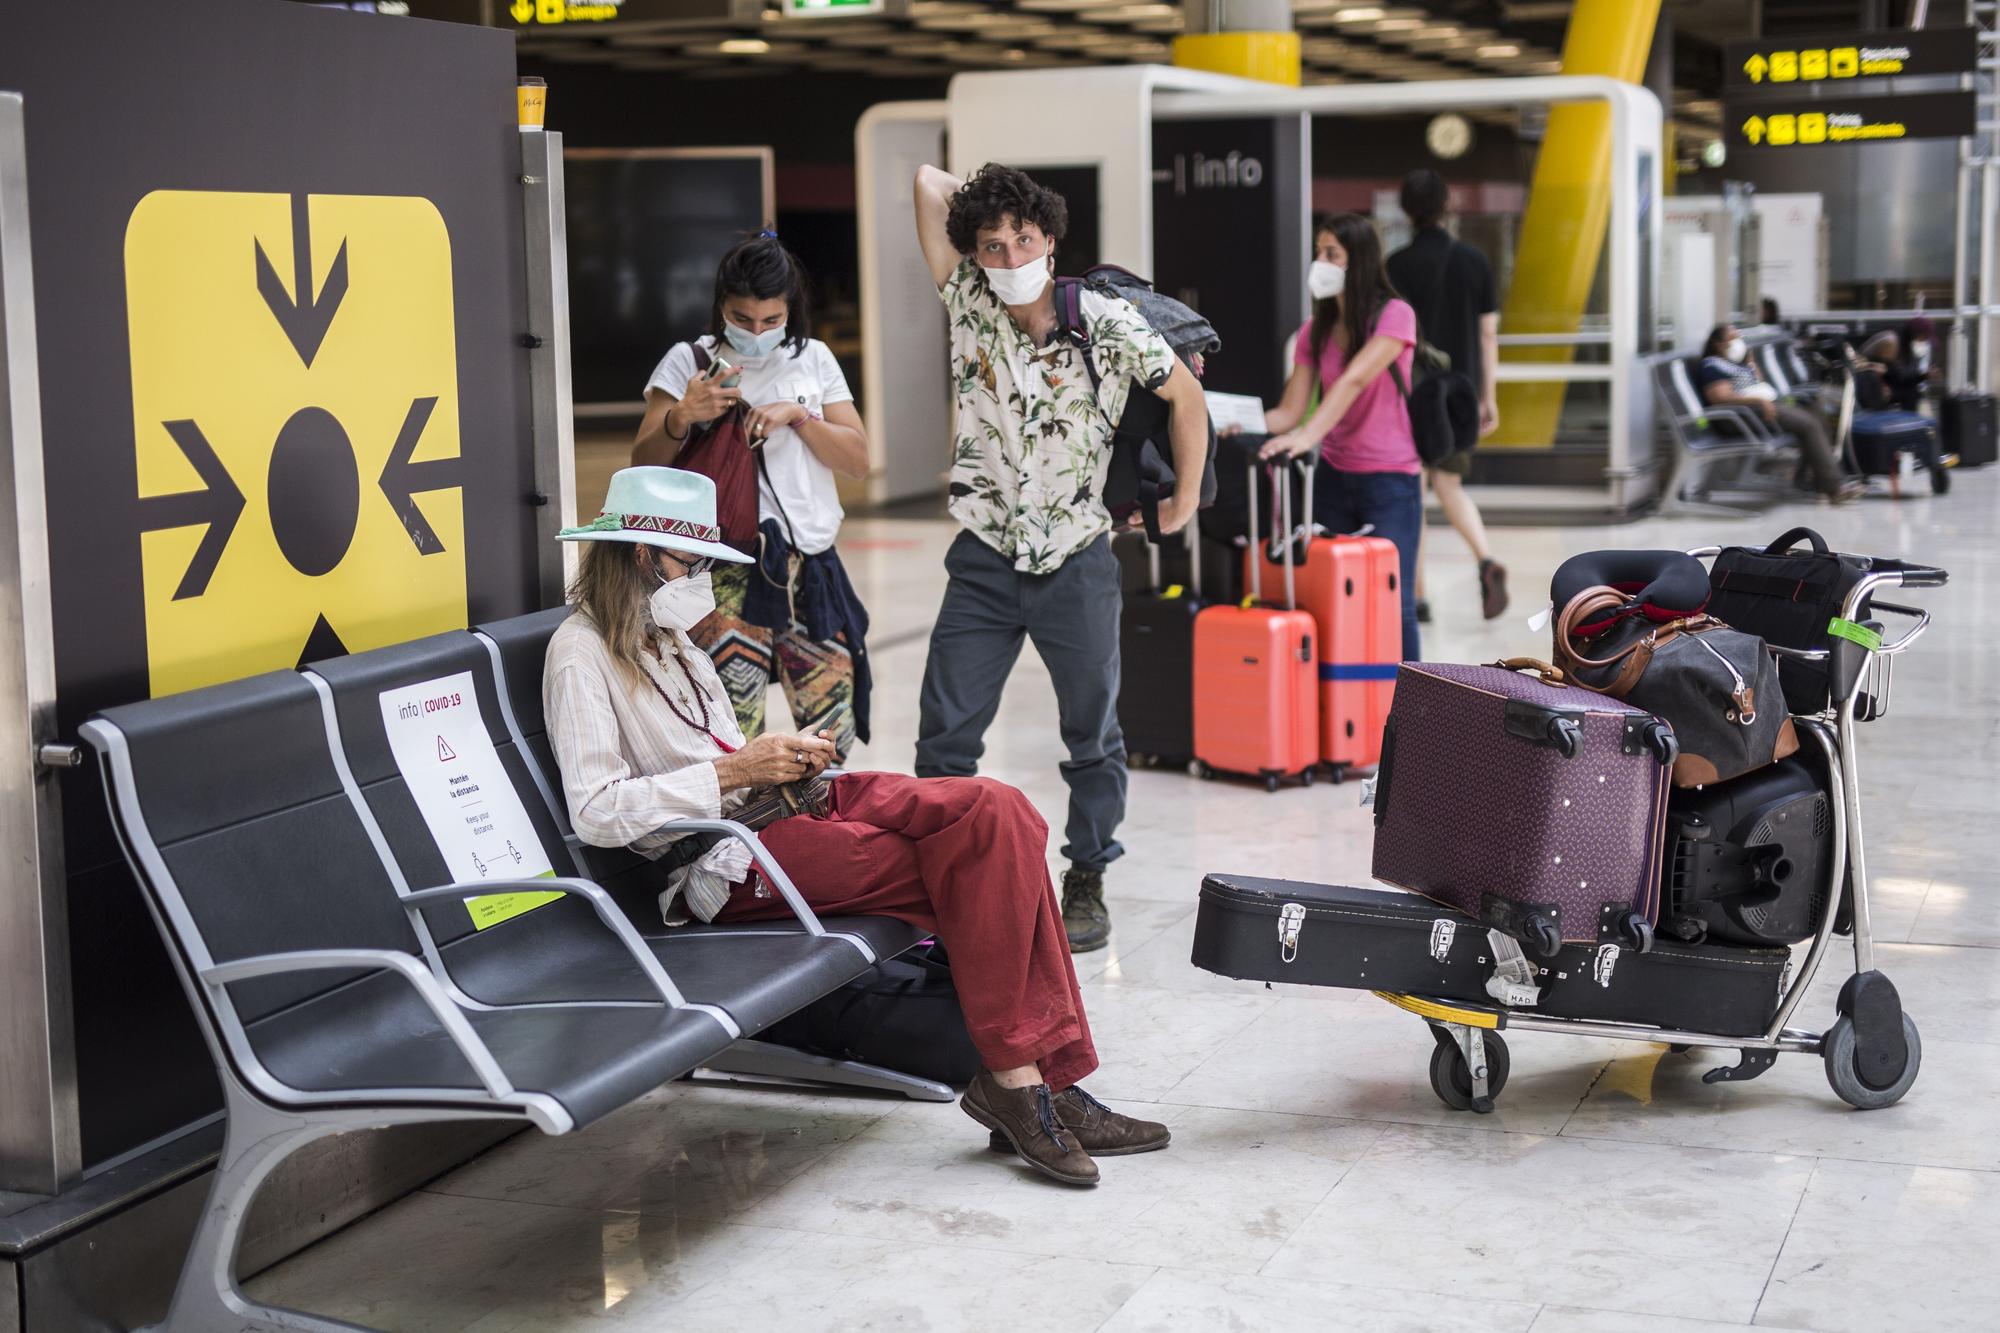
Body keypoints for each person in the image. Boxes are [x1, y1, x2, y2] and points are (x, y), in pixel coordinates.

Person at [544, 466, 1169, 1187]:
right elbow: (594, 809)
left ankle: (1028, 1084)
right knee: (982, 862)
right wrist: (736, 772)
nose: (703, 579)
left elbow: (723, 755)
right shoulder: (580, 654)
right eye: (692, 562)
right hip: (725, 860)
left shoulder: (675, 644)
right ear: (639, 553)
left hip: (776, 808)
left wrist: (776, 761)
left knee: (1004, 813)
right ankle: (1033, 1085)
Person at [909, 162, 1209, 955]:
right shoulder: (967, 302)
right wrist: (990, 203)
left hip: (1077, 557)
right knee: (945, 734)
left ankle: (1087, 873)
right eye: (992, 245)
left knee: (1092, 733)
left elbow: (1186, 398)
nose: (1009, 258)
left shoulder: (1103, 321)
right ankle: (942, 872)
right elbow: (925, 179)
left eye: (1025, 240)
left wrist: (1184, 498)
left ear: (1051, 241)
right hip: (983, 554)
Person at [632, 232, 873, 762]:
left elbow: (857, 460)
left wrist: (800, 415)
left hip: (808, 567)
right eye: (742, 319)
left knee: (832, 735)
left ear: (790, 310)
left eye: (771, 321)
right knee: (731, 731)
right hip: (720, 570)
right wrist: (682, 415)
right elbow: (642, 467)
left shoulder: (814, 359)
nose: (757, 332)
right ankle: (746, 843)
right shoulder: (687, 361)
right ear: (721, 307)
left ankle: (819, 836)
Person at [1257, 213, 1424, 661]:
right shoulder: (1317, 329)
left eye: (1332, 254)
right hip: (1333, 479)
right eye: (1319, 252)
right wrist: (1237, 419)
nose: (1320, 262)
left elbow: (1352, 381)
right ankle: (1348, 697)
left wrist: (1308, 436)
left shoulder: (1396, 316)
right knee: (1331, 595)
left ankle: (1411, 711)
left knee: (1395, 602)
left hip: (1389, 481)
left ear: (1360, 260)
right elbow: (1290, 410)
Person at [1385, 169, 1508, 622]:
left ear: (1406, 210)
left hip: (1412, 396)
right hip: (1460, 396)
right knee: (1450, 486)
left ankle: (1417, 596)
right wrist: (1487, 396)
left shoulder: (1395, 265)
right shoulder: (1474, 261)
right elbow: (1488, 334)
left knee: (1413, 488)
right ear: (1448, 206)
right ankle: (1485, 559)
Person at [1694, 323, 1863, 504]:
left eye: (1738, 337)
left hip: (1760, 409)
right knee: (1808, 425)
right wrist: (1760, 401)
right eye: (1732, 339)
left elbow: (1757, 383)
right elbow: (1720, 397)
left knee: (1817, 416)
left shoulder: (1735, 363)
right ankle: (1834, 488)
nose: (1738, 342)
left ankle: (1815, 480)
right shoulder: (1711, 365)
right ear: (1718, 344)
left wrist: (1750, 363)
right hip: (1739, 415)